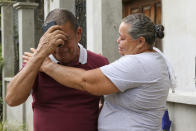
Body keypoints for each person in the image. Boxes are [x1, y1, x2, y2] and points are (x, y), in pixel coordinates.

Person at [22, 13, 174, 131]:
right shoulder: (154, 57)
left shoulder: (138, 63)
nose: (117, 41)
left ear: (140, 42)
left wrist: (46, 64)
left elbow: (86, 81)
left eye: (122, 38)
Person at [6, 9, 109, 131]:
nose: (61, 48)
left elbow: (112, 104)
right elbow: (12, 99)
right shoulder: (36, 62)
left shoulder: (99, 62)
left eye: (65, 40)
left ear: (79, 33)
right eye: (56, 42)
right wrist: (39, 55)